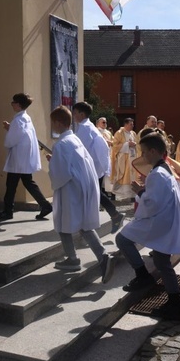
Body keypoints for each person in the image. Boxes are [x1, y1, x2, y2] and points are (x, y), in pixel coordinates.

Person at [116, 133, 180, 319]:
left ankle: (142, 275)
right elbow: (178, 198)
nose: (143, 156)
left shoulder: (157, 174)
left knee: (122, 239)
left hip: (159, 221)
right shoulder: (165, 170)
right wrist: (145, 191)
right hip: (168, 220)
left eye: (144, 152)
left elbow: (152, 204)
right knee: (162, 263)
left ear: (153, 151)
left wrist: (140, 192)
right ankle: (175, 304)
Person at [47, 106, 115, 283]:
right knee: (84, 225)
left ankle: (76, 259)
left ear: (57, 122)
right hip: (81, 188)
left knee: (63, 224)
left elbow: (61, 173)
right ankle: (97, 256)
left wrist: (53, 163)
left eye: (52, 122)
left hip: (70, 190)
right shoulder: (74, 140)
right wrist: (55, 161)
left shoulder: (61, 144)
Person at [0, 93, 53, 221]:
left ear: (18, 105)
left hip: (18, 158)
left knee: (11, 184)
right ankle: (45, 205)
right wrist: (11, 128)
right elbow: (21, 134)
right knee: (27, 182)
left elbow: (12, 139)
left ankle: (7, 211)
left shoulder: (18, 120)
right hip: (24, 157)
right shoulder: (25, 118)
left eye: (13, 102)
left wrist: (9, 130)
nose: (12, 104)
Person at [72, 102, 125, 232]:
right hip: (94, 167)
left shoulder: (84, 128)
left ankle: (112, 215)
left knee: (93, 194)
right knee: (94, 194)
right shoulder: (88, 127)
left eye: (75, 112)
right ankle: (110, 216)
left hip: (89, 167)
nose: (73, 115)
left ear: (81, 114)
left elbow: (79, 150)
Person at [111, 118, 138, 199]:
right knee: (124, 175)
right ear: (125, 124)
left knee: (132, 176)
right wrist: (127, 144)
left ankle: (132, 194)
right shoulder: (119, 133)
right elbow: (115, 146)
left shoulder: (133, 133)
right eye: (131, 124)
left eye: (133, 124)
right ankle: (123, 194)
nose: (132, 126)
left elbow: (137, 143)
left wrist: (134, 144)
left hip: (132, 157)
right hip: (123, 159)